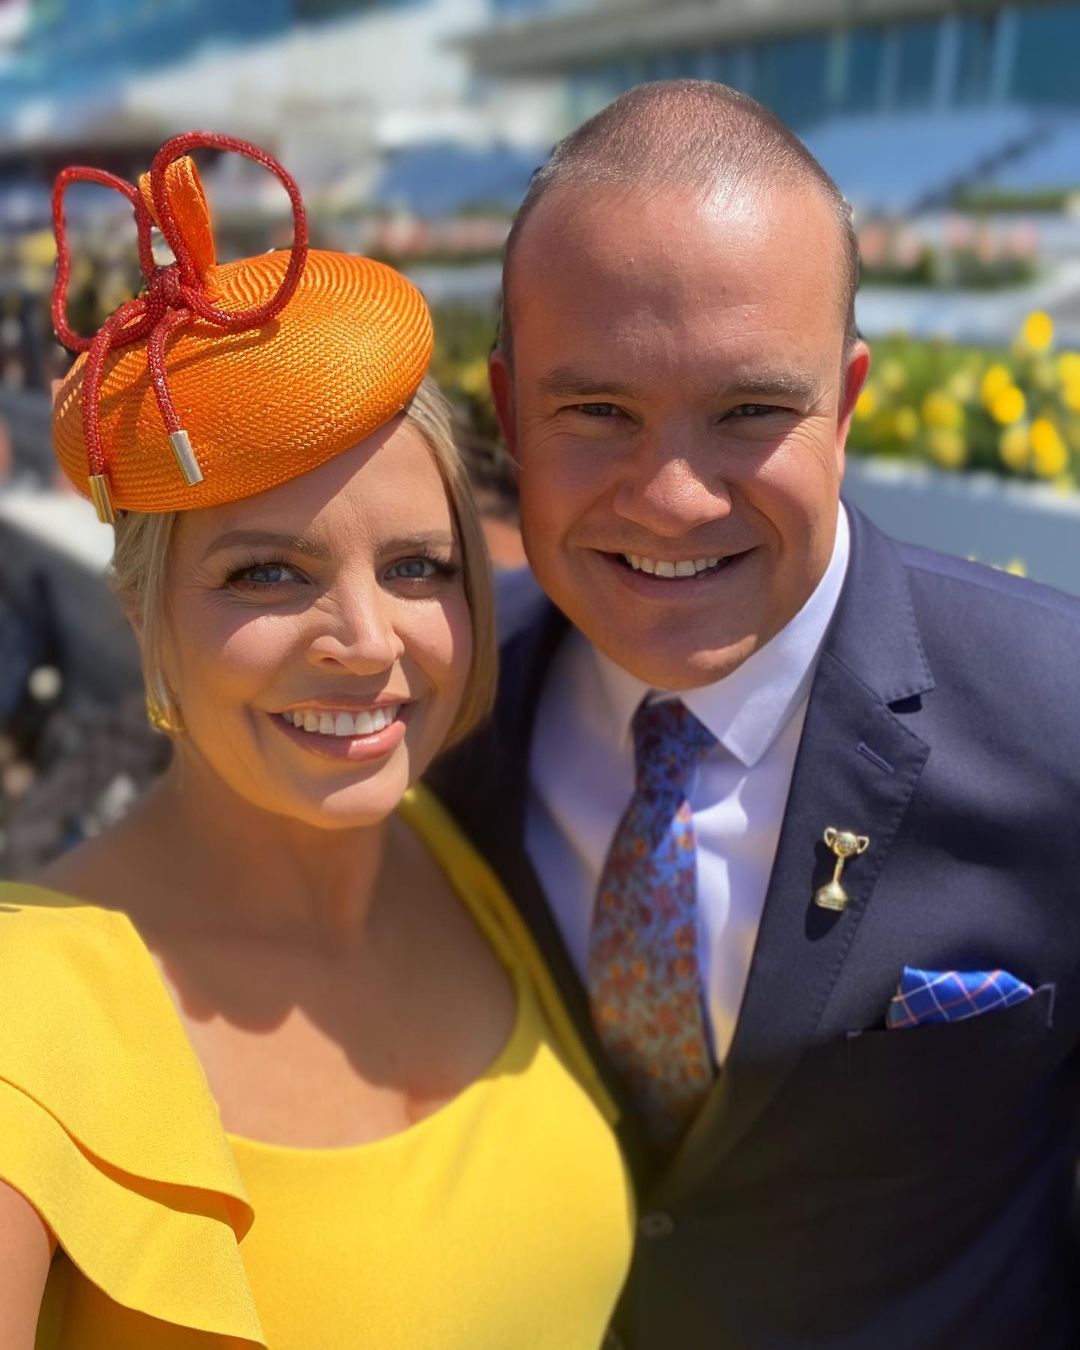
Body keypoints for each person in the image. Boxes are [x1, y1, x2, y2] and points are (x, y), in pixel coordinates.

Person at [430, 81, 1080, 1349]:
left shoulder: (1060, 721)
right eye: (597, 411)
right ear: (507, 415)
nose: (673, 499)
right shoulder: (439, 710)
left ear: (847, 402)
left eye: (750, 412)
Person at [0, 132, 633, 1349]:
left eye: (417, 567)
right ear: (141, 610)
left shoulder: (474, 854)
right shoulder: (26, 1007)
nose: (367, 642)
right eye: (267, 574)